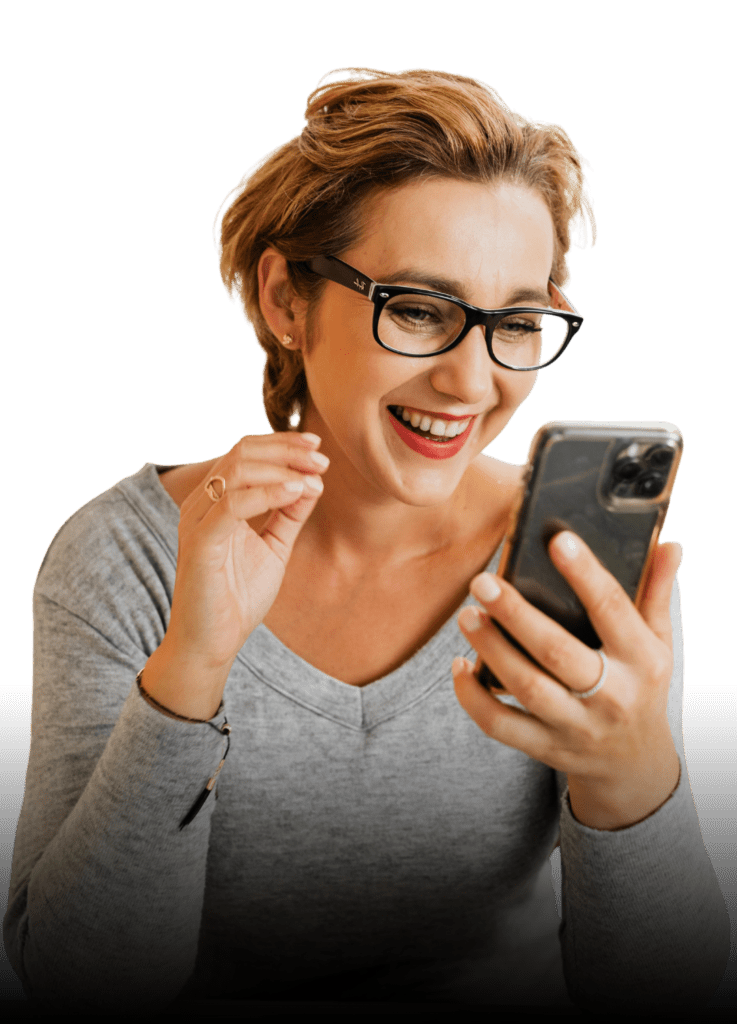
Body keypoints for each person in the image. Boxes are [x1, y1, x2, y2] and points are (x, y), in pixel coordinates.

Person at [4, 67, 729, 1016]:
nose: (471, 383)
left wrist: (634, 774)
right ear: (285, 300)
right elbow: (79, 985)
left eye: (516, 322)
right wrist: (192, 666)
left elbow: (657, 994)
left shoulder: (575, 560)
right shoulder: (124, 558)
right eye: (419, 310)